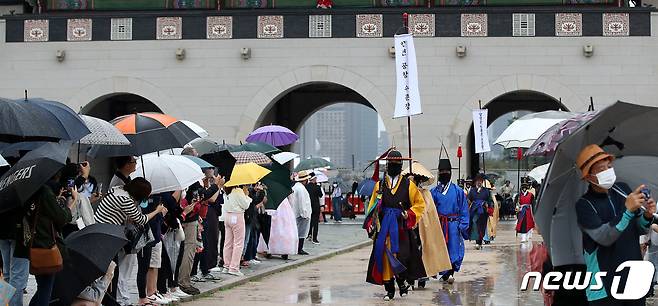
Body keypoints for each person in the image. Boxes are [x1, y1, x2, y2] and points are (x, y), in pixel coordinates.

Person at [575, 144, 655, 306]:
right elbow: (604, 237)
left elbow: (639, 228)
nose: (608, 171)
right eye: (601, 169)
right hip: (604, 286)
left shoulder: (623, 189)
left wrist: (647, 215)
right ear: (589, 177)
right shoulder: (584, 205)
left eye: (609, 166)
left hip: (632, 278)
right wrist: (626, 210)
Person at [95, 178, 167, 306]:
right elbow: (141, 219)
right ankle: (110, 302)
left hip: (102, 232)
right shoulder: (126, 200)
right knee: (112, 272)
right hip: (107, 236)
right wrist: (157, 210)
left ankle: (111, 301)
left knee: (112, 271)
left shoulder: (117, 190)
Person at [365, 149, 426, 301]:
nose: (393, 165)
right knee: (384, 255)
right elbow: (372, 205)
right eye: (390, 163)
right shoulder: (380, 185)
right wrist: (372, 221)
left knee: (402, 256)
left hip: (401, 226)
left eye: (396, 163)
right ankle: (389, 289)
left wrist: (409, 213)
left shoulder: (408, 184)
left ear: (401, 165)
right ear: (387, 165)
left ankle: (402, 281)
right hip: (384, 225)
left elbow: (419, 204)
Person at [27, 171, 77, 306]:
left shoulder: (29, 190)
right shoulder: (44, 192)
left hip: (33, 243)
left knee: (42, 286)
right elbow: (62, 217)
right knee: (45, 288)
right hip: (46, 245)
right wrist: (73, 202)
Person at [403, 162, 452, 289]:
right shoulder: (405, 192)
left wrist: (420, 218)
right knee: (408, 252)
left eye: (415, 179)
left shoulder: (426, 194)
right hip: (408, 226)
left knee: (422, 251)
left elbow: (429, 212)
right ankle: (409, 278)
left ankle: (422, 277)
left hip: (422, 227)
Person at [430, 159, 470, 284]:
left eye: (446, 171)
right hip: (439, 225)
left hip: (453, 224)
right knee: (441, 249)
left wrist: (462, 225)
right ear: (438, 172)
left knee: (454, 250)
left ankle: (450, 272)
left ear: (451, 172)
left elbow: (464, 209)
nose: (444, 173)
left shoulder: (458, 191)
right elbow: (431, 211)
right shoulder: (434, 192)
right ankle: (445, 273)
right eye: (442, 171)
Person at [107, 156, 137, 306]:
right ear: (126, 165)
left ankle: (122, 297)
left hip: (124, 227)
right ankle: (119, 299)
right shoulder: (118, 183)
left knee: (126, 266)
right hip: (119, 228)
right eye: (133, 162)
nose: (136, 164)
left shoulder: (125, 179)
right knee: (120, 266)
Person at [221, 184, 251, 277]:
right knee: (238, 243)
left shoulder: (226, 189)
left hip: (227, 216)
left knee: (228, 242)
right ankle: (234, 267)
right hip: (237, 216)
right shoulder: (238, 190)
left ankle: (227, 265)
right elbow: (245, 205)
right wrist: (247, 196)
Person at [467, 174, 493, 250]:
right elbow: (468, 200)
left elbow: (490, 201)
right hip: (474, 210)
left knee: (482, 226)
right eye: (477, 181)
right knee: (474, 223)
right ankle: (477, 241)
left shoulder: (486, 191)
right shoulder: (472, 190)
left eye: (480, 181)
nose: (479, 182)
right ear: (475, 182)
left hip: (483, 210)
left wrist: (489, 207)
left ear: (482, 182)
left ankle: (480, 241)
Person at [290, 171, 312, 255]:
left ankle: (297, 247)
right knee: (302, 232)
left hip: (296, 212)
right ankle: (300, 248)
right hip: (301, 214)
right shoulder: (301, 189)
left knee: (297, 231)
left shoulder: (296, 187)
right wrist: (304, 214)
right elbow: (302, 202)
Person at [305, 174, 323, 244]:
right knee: (315, 223)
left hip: (308, 206)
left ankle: (309, 234)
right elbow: (321, 195)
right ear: (314, 179)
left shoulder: (306, 187)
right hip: (315, 206)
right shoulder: (317, 187)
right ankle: (314, 238)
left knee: (309, 221)